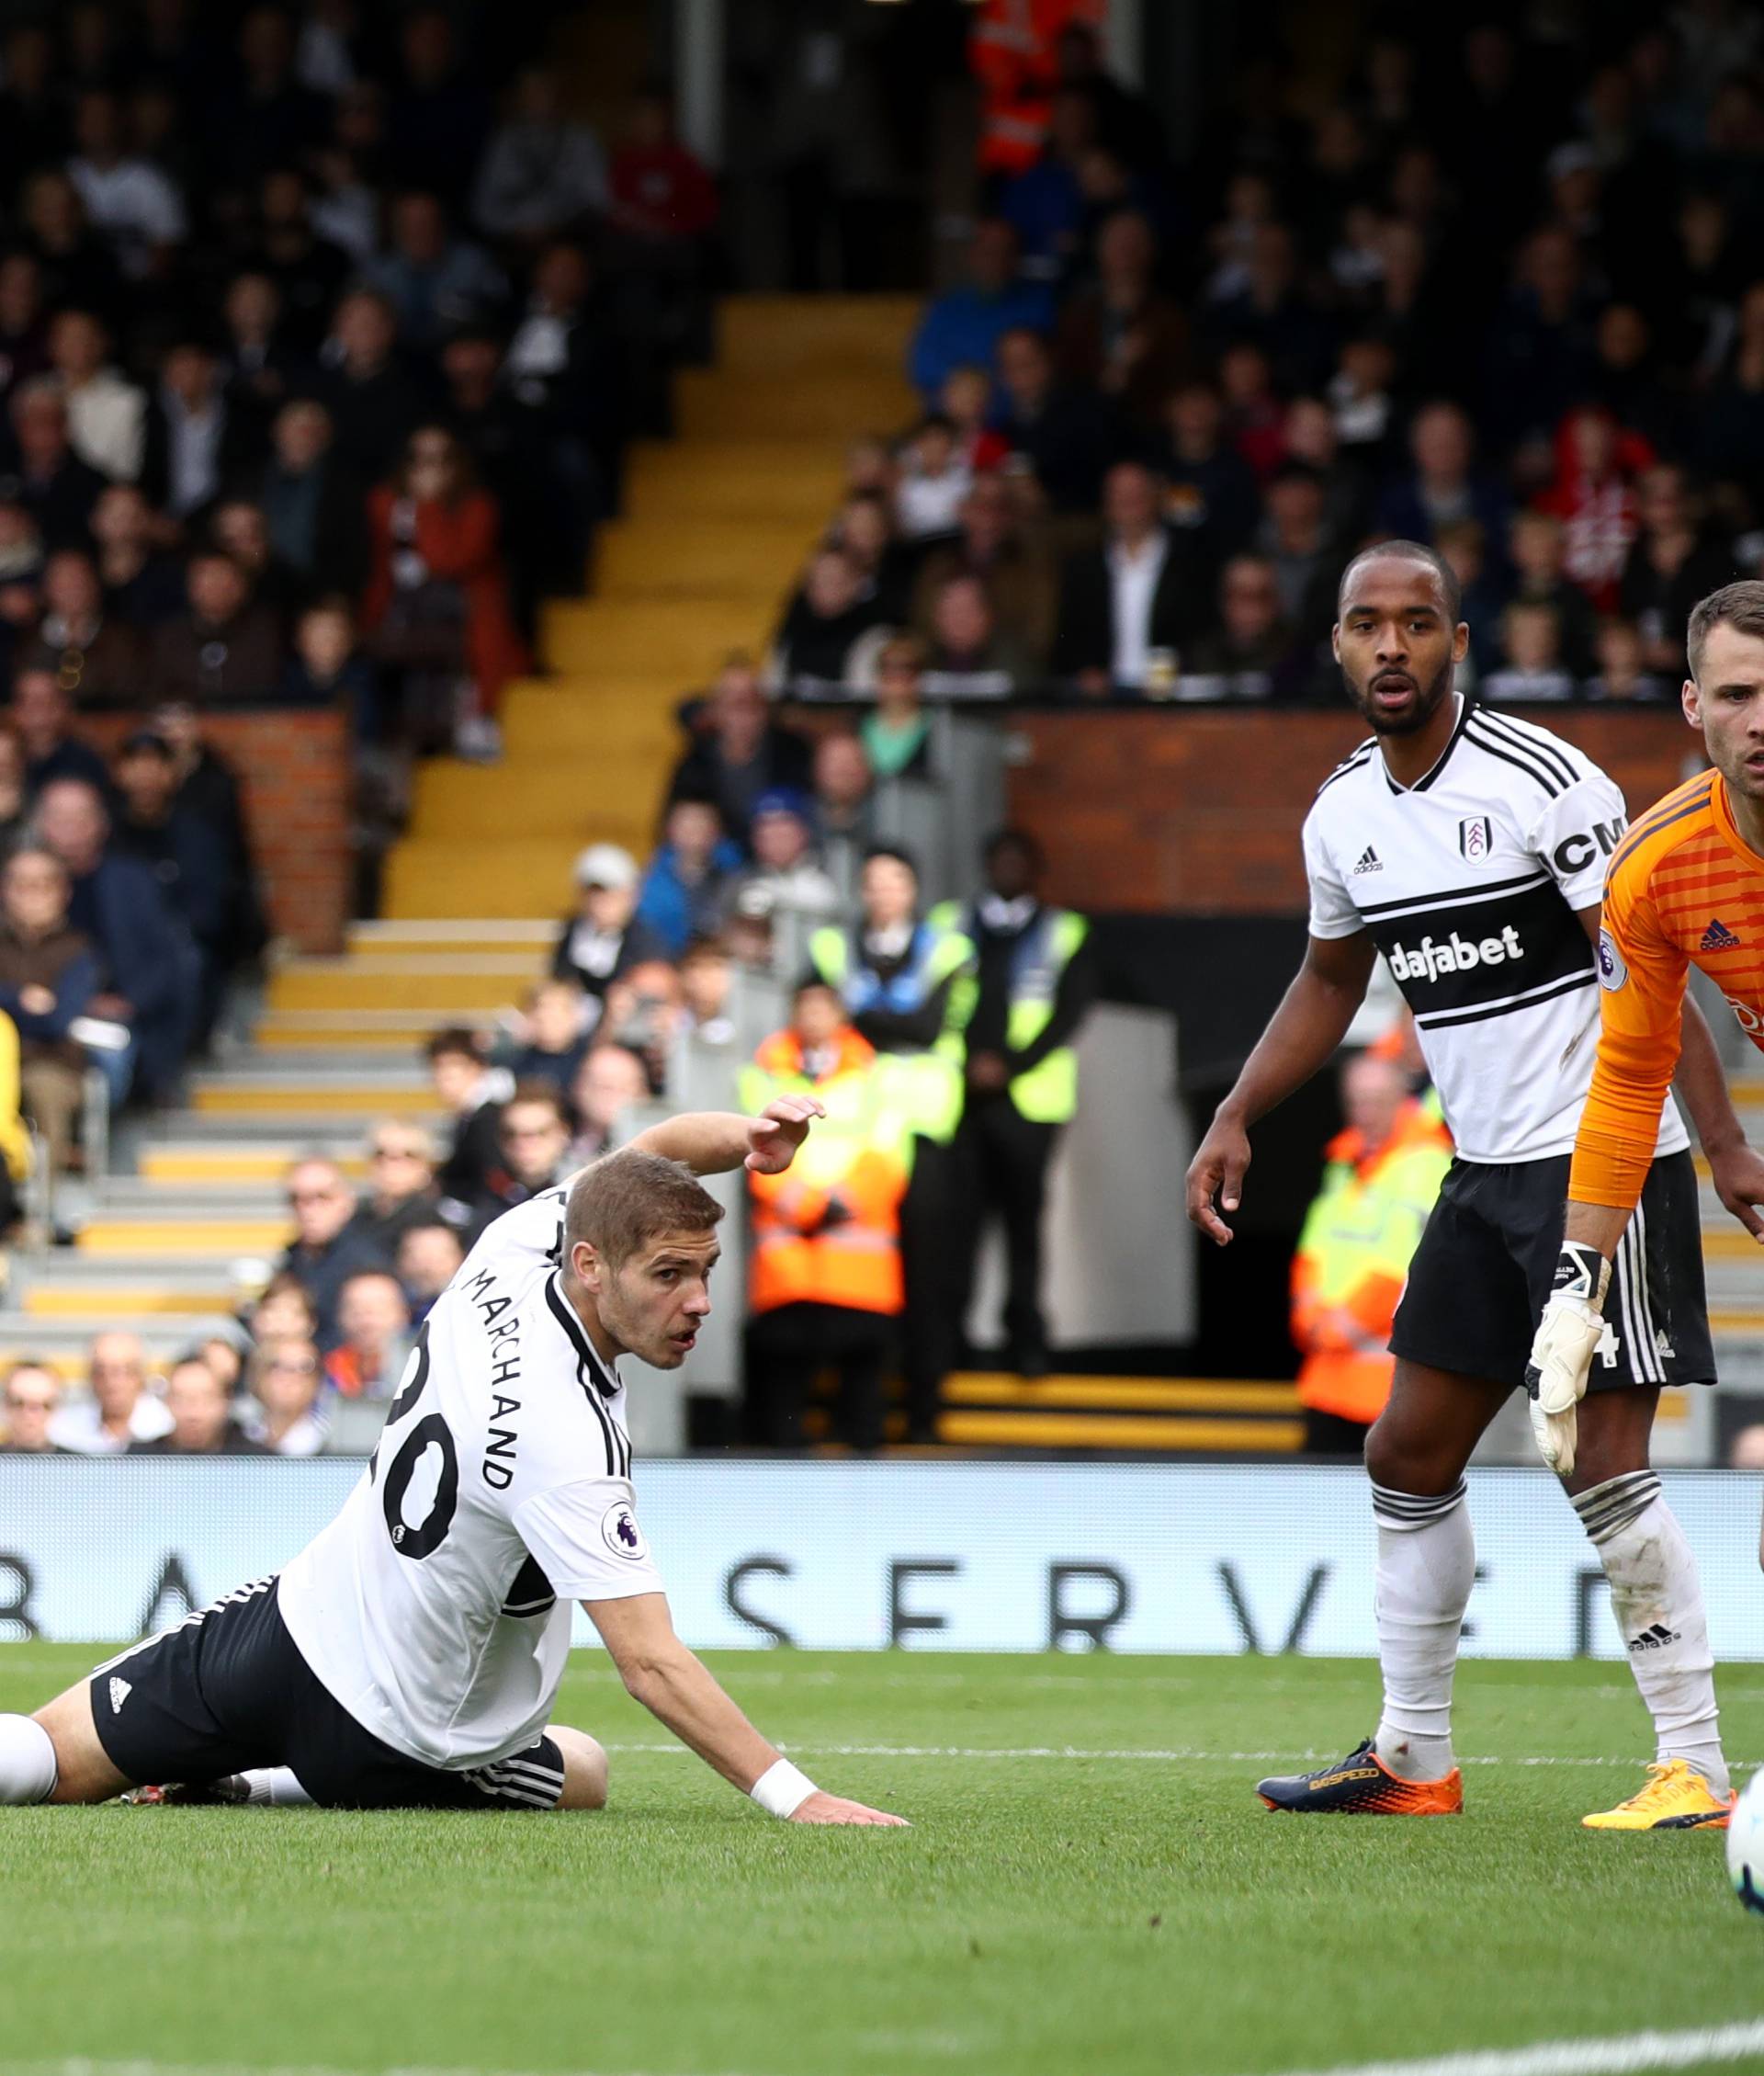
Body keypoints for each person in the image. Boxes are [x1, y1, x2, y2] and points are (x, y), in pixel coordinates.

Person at [1184, 539, 1739, 1831]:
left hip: (1608, 1162)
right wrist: (1236, 1108)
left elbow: (1644, 966)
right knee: (1405, 1448)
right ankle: (1414, 1754)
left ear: (1458, 640)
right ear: (1335, 644)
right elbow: (1332, 979)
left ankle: (1697, 1765)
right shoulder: (1342, 814)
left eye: (1418, 624)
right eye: (1368, 625)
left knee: (1599, 1454)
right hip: (1483, 1172)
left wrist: (1722, 1144)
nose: (1393, 647)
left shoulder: (1549, 782)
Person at [4, 1102, 905, 1826]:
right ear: (591, 1265)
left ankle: (250, 1779)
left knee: (46, 1757)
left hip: (289, 1631)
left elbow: (651, 1152)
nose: (698, 1301)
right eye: (669, 1275)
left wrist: (742, 1140)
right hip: (400, 1739)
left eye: (705, 1271)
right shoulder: (567, 1438)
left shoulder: (517, 1243)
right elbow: (651, 1665)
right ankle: (270, 1785)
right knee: (584, 1766)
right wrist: (799, 1798)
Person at [1534, 580, 1764, 1567]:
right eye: (1736, 695)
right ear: (1691, 706)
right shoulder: (1656, 868)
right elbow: (1632, 1076)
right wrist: (1576, 1291)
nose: (1761, 722)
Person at [808, 847, 975, 1441]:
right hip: (850, 1134)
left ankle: (924, 1408)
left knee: (927, 1272)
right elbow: (826, 1020)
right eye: (873, 882)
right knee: (854, 1266)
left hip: (924, 1131)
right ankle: (858, 1408)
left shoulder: (948, 948)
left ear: (914, 889)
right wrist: (881, 1020)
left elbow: (928, 1026)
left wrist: (863, 1016)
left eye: (896, 881)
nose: (883, 892)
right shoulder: (830, 946)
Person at [930, 830, 1094, 1379]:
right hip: (958, 1100)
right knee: (958, 1225)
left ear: (1035, 868)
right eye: (998, 859)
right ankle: (950, 1342)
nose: (1007, 868)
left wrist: (1009, 1067)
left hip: (1029, 1103)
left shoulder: (1064, 931)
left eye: (1018, 860)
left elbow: (1070, 1013)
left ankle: (1024, 1339)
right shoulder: (949, 924)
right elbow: (933, 1004)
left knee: (1024, 1225)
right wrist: (966, 1067)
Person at [740, 983, 912, 1450]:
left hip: (857, 1265)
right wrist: (803, 1202)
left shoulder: (876, 1075)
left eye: (824, 1007)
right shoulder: (764, 1074)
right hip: (789, 1265)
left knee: (862, 1397)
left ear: (841, 1016)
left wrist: (846, 1200)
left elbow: (891, 1153)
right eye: (806, 1007)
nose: (814, 1017)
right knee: (785, 1398)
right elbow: (750, 1147)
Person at [1290, 1054, 1453, 1457]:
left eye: (1376, 1101)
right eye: (1356, 1102)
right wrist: (1309, 1317)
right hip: (1326, 1378)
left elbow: (1402, 1266)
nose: (1364, 1113)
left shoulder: (1425, 1162)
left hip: (1385, 1384)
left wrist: (1340, 1327)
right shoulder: (1345, 1163)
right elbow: (1312, 1251)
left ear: (1402, 1100)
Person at [36, 777, 194, 1106]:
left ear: (101, 824)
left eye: (80, 818)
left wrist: (130, 1002)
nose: (70, 829)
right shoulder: (20, 883)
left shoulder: (134, 882)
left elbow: (167, 959)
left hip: (121, 1020)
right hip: (41, 1028)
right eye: (59, 818)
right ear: (41, 824)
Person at [1053, 461, 1211, 697]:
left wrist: (1174, 673)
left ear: (1154, 498)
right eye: (1119, 494)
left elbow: (1201, 632)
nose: (1128, 501)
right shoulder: (1083, 567)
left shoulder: (1188, 562)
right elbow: (1068, 636)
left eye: (1136, 493)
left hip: (1170, 695)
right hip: (1100, 697)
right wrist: (1086, 671)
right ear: (1106, 502)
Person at [0, 845, 99, 1176]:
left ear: (63, 892)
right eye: (22, 885)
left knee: (45, 1089)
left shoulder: (78, 950)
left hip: (52, 1062)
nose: (33, 895)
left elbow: (58, 1021)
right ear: (6, 890)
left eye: (44, 884)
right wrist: (19, 998)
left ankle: (42, 1204)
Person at [278, 1157, 389, 1347]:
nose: (307, 1210)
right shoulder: (293, 1259)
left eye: (321, 1197)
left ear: (347, 1200)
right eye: (296, 1199)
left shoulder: (366, 1264)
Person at [551, 843, 668, 1010]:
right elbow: (560, 979)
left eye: (608, 895)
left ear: (630, 895)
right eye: (592, 894)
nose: (598, 903)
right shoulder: (573, 929)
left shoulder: (645, 940)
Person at [635, 796, 741, 961]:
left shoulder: (737, 877)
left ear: (716, 831)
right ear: (670, 830)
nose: (693, 834)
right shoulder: (650, 881)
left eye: (701, 825)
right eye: (686, 825)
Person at [48, 1331, 171, 1453]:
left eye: (122, 1371)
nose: (111, 1382)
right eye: (100, 1372)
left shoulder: (166, 1425)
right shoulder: (65, 1428)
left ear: (141, 1375)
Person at [425, 1027, 507, 1208]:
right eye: (438, 1067)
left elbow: (492, 1178)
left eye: (454, 1066)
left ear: (478, 1067)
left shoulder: (489, 1118)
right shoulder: (468, 1118)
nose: (444, 1077)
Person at [346, 1118, 446, 1260]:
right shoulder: (356, 1217)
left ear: (425, 1166)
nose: (391, 1163)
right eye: (380, 1154)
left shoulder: (433, 1221)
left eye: (407, 1155)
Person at [129, 1356, 266, 1457]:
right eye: (181, 1400)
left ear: (225, 1402)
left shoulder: (258, 1462)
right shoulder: (141, 1461)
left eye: (206, 1400)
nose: (193, 1414)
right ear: (167, 1402)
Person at [322, 1270, 413, 1401]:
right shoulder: (325, 1372)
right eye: (356, 1311)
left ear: (404, 1315)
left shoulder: (422, 1372)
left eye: (380, 1310)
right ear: (340, 1316)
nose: (367, 1321)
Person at [568, 1043, 650, 1165]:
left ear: (643, 1094)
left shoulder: (655, 1152)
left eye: (623, 1087)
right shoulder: (555, 1143)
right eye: (601, 1085)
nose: (610, 1095)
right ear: (578, 1088)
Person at [397, 1219, 465, 1323]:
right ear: (402, 1261)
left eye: (438, 1258)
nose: (428, 1268)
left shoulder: (469, 1307)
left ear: (460, 1259)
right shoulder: (393, 1305)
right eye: (418, 1258)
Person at [0, 1362, 67, 1453]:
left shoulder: (79, 1464)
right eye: (19, 1403)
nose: (29, 1415)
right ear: (5, 1405)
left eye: (44, 1405)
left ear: (56, 1408)